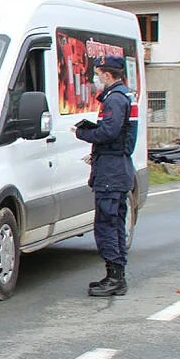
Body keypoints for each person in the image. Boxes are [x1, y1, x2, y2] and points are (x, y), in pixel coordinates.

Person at [74, 55, 137, 297]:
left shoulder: (115, 99)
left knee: (107, 224)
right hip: (115, 166)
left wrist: (83, 134)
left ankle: (115, 278)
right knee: (114, 222)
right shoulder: (123, 96)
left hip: (111, 171)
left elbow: (110, 132)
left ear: (108, 75)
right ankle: (115, 275)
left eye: (98, 74)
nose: (96, 79)